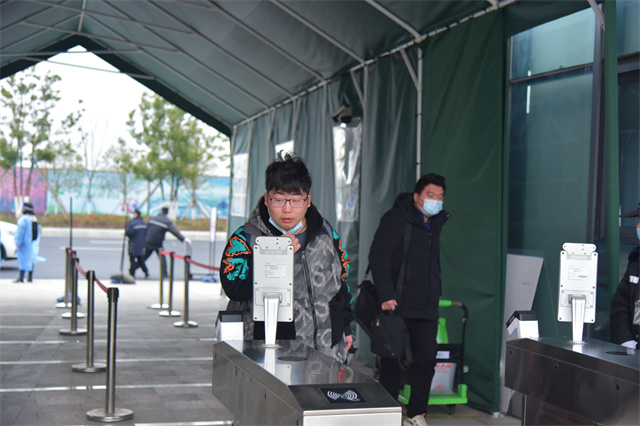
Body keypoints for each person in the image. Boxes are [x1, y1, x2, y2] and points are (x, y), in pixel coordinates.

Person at [220, 152, 354, 363]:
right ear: (267, 199)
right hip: (274, 353)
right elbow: (234, 287)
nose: (287, 209)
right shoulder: (246, 238)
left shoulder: (326, 234)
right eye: (279, 199)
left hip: (328, 352)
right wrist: (275, 254)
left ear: (308, 201)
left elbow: (341, 283)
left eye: (296, 200)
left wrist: (346, 327)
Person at [368, 173, 450, 426]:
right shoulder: (397, 218)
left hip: (426, 306)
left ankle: (416, 414)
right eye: (430, 195)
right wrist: (387, 295)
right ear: (417, 196)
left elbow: (432, 263)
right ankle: (389, 414)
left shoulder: (435, 223)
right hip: (397, 304)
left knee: (426, 360)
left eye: (440, 197)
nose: (435, 201)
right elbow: (378, 256)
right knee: (391, 362)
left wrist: (436, 292)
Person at [610, 201, 640, 349]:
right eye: (638, 221)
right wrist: (626, 341)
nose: (638, 227)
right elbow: (620, 304)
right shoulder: (636, 260)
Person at [143, 206, 190, 277]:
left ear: (161, 211)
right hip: (157, 243)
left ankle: (133, 268)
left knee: (144, 257)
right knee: (162, 258)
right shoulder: (166, 221)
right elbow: (175, 232)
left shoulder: (152, 219)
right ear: (167, 213)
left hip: (148, 241)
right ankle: (164, 273)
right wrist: (183, 239)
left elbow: (145, 228)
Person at [14, 202, 40, 283]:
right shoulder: (34, 218)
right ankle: (30, 277)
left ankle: (21, 277)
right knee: (31, 260)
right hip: (33, 244)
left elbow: (20, 233)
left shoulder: (23, 220)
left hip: (24, 244)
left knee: (22, 260)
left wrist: (17, 243)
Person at [126, 209, 149, 279]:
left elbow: (129, 233)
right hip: (141, 244)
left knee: (132, 259)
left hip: (133, 243)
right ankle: (146, 272)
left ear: (136, 214)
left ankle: (132, 273)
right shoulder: (143, 223)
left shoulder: (132, 223)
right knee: (140, 259)